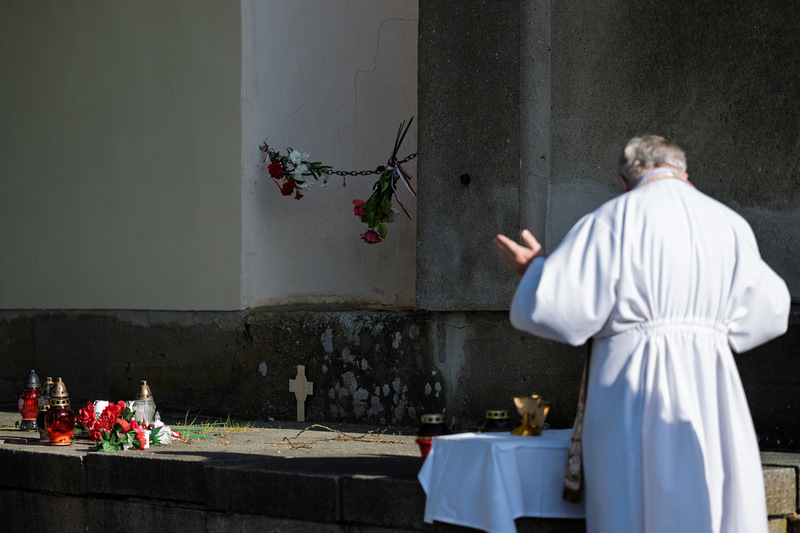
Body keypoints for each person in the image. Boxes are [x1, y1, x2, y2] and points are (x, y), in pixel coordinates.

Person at [493, 135, 790, 533]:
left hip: (631, 391)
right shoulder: (730, 224)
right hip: (711, 390)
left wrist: (535, 271)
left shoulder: (611, 219)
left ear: (623, 180)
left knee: (634, 502)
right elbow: (771, 311)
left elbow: (562, 309)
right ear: (685, 173)